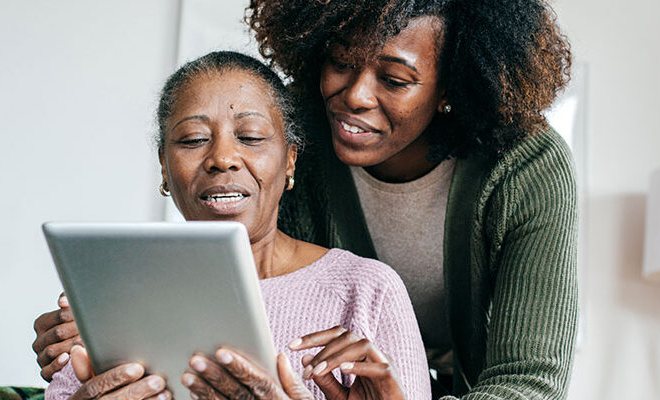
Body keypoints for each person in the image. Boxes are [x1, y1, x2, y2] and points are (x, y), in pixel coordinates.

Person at [36, 0, 580, 397]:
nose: (355, 96)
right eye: (341, 63)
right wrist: (104, 329)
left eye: (394, 79)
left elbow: (528, 380)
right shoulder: (296, 141)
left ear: (451, 89)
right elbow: (257, 302)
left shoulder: (525, 166)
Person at [41, 51, 431, 400]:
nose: (223, 158)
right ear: (163, 164)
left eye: (251, 136)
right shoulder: (111, 295)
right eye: (193, 140)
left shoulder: (366, 290)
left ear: (290, 160)